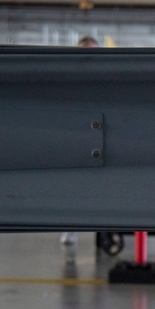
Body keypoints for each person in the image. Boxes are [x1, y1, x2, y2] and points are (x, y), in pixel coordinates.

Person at [61, 35, 100, 247]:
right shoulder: (70, 79)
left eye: (93, 50)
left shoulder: (106, 79)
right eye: (85, 49)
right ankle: (70, 228)